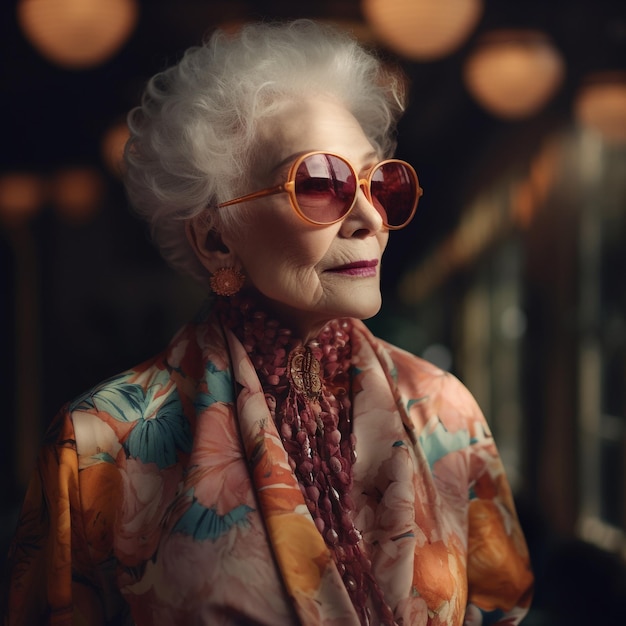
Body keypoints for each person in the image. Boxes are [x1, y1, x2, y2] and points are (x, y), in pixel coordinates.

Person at [1, 19, 533, 626]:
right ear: (216, 238)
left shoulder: (448, 413)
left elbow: (502, 608)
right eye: (320, 183)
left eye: (378, 181)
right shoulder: (98, 446)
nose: (369, 218)